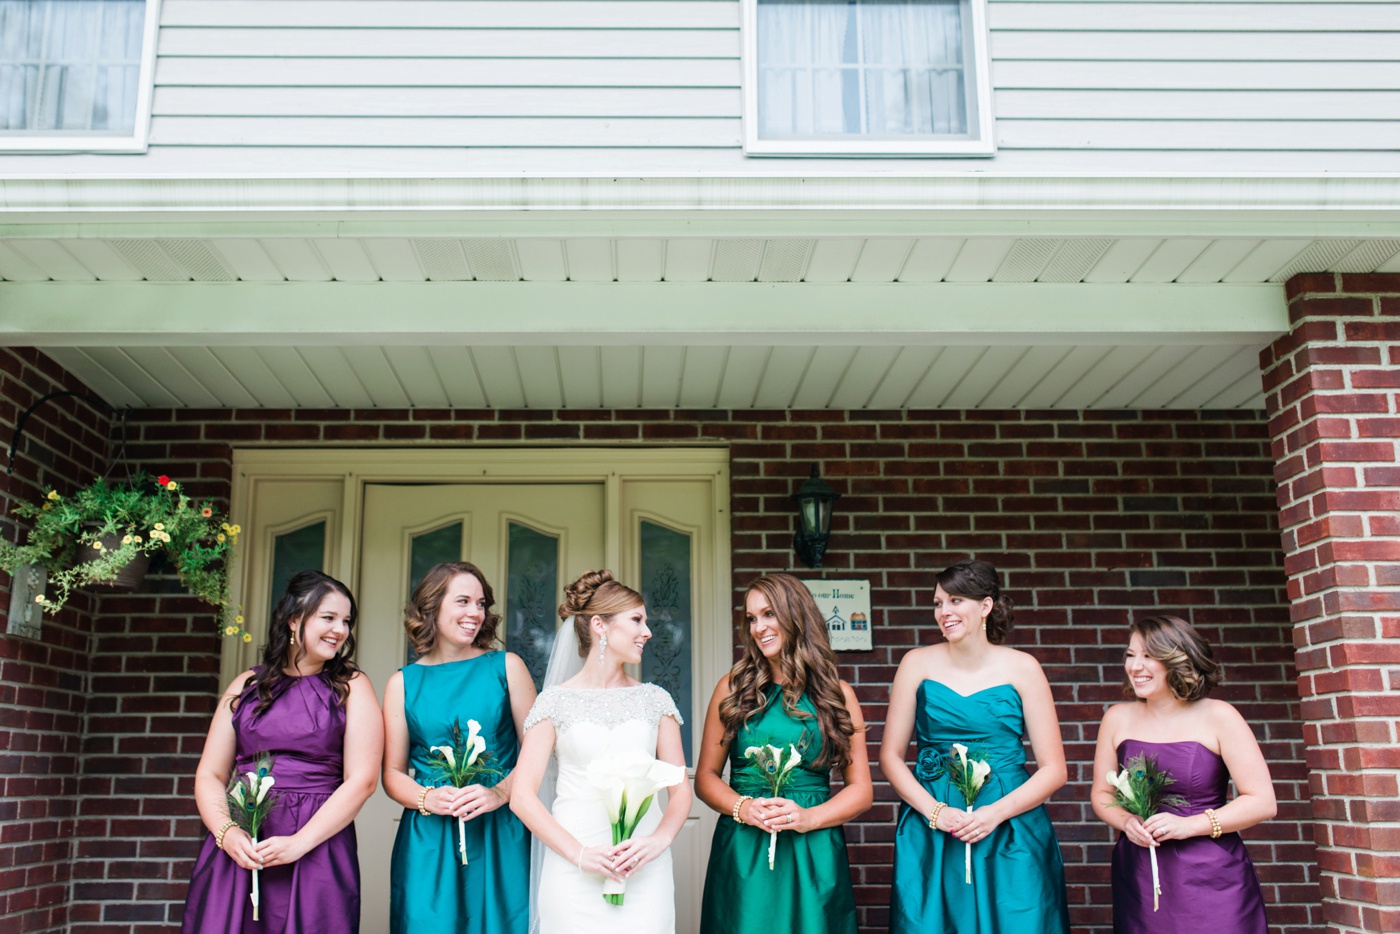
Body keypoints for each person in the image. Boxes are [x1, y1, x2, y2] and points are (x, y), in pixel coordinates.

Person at [183, 570, 382, 933]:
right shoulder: (246, 685)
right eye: (328, 617)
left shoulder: (352, 686)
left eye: (346, 621)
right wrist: (227, 833)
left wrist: (299, 843)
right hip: (243, 841)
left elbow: (363, 781)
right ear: (294, 620)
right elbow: (210, 774)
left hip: (317, 842)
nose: (340, 630)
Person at [881, 558, 1070, 934]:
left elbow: (1054, 769)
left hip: (1009, 821)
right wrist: (934, 813)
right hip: (934, 822)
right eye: (938, 603)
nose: (944, 612)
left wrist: (994, 814)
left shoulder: (1024, 668)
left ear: (985, 606)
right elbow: (890, 756)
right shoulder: (915, 664)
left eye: (955, 601)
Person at [510, 570, 691, 934]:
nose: (648, 632)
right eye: (637, 620)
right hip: (572, 870)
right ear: (600, 625)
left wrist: (659, 840)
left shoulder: (655, 700)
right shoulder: (554, 702)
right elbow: (522, 797)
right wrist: (580, 854)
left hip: (644, 870)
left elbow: (680, 789)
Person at [695, 572, 872, 934]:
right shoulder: (732, 689)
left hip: (814, 846)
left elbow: (861, 791)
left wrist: (810, 818)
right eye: (751, 618)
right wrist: (742, 808)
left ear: (796, 615)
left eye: (769, 614)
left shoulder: (837, 695)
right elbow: (705, 778)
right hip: (745, 845)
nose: (759, 627)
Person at [1091, 615, 1274, 933]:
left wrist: (1190, 825)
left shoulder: (1219, 716)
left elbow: (1262, 802)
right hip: (1141, 872)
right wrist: (1127, 822)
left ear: (1176, 660)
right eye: (1131, 655)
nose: (1136, 666)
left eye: (1148, 656)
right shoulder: (1117, 719)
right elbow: (1102, 793)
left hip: (1212, 874)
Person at [382, 561, 537, 934]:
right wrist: (426, 799)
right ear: (432, 607)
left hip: (503, 830)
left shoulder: (507, 667)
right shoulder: (403, 683)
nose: (475, 614)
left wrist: (500, 792)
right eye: (463, 601)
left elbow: (539, 752)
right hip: (429, 840)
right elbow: (391, 773)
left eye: (481, 604)